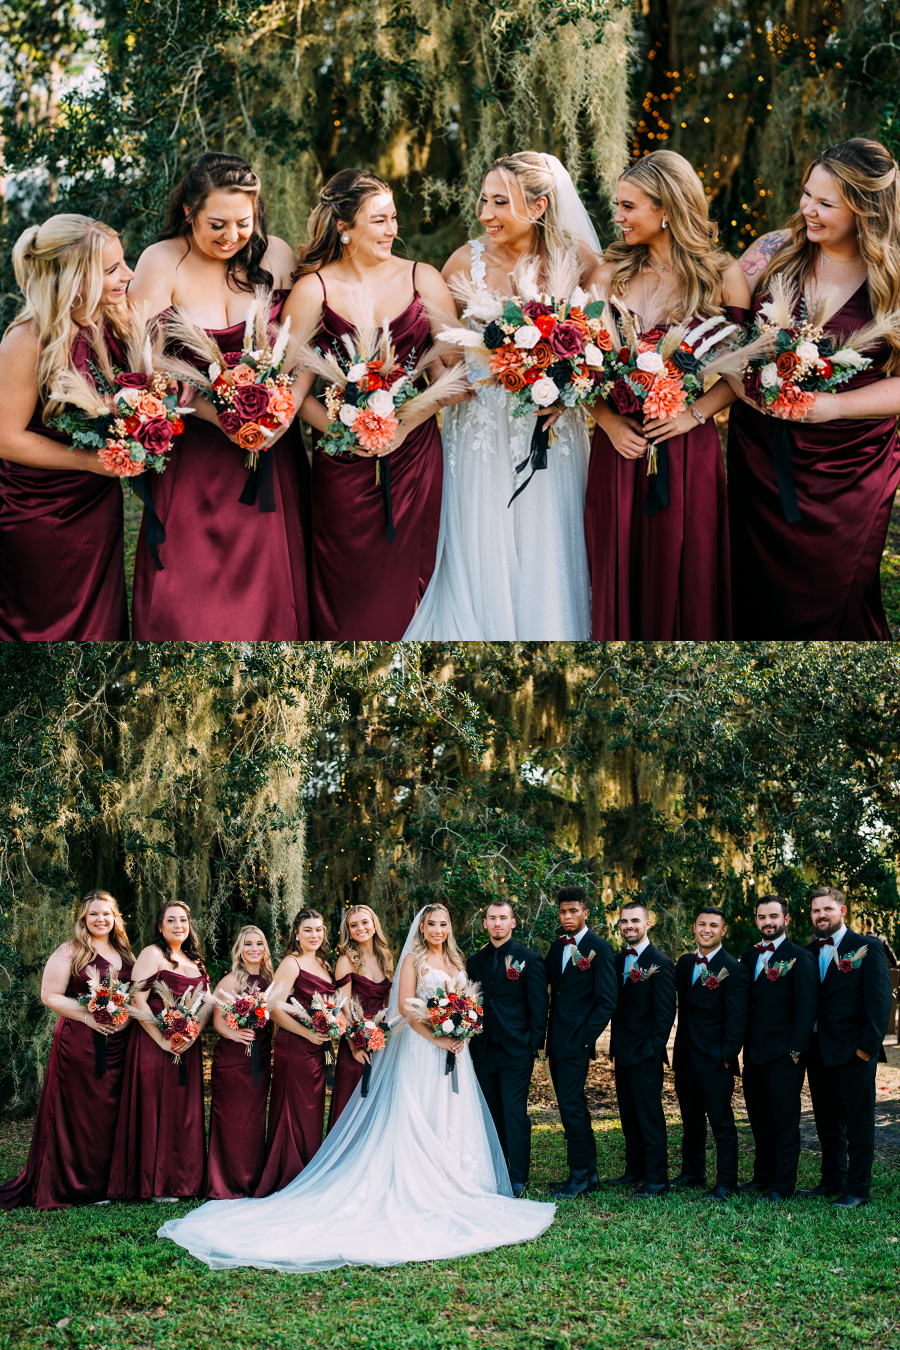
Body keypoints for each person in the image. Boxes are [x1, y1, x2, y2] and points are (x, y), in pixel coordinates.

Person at [157, 903, 555, 1271]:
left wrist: (460, 1029)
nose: (436, 929)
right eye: (431, 923)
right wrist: (377, 1038)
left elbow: (456, 1001)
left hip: (448, 1048)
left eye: (443, 924)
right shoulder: (384, 959)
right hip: (411, 1045)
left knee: (453, 1113)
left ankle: (460, 1180)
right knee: (401, 1113)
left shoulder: (448, 959)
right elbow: (391, 1006)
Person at [404, 151, 604, 640]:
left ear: (537, 207)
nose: (485, 214)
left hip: (550, 423)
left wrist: (570, 386)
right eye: (483, 199)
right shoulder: (461, 262)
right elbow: (437, 347)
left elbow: (600, 343)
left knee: (548, 535)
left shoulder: (576, 258)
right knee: (482, 533)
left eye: (500, 202)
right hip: (479, 423)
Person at [128, 152, 311, 640]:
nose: (232, 236)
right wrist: (224, 418)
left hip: (274, 445)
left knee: (271, 591)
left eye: (244, 222)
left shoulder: (276, 256)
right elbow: (141, 368)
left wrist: (282, 414)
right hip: (196, 453)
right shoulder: (160, 261)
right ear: (189, 212)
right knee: (192, 599)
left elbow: (304, 347)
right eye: (217, 223)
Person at [729, 139, 900, 638]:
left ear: (866, 210)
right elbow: (720, 332)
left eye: (825, 203)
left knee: (834, 594)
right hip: (758, 454)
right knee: (752, 589)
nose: (807, 209)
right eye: (807, 194)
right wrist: (747, 385)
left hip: (848, 465)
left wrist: (835, 406)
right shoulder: (771, 253)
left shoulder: (892, 277)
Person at [284, 169, 462, 639]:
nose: (392, 230)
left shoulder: (423, 279)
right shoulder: (311, 291)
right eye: (379, 221)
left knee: (415, 583)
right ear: (344, 228)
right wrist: (347, 433)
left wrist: (402, 427)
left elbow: (453, 376)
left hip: (416, 458)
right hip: (343, 463)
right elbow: (293, 394)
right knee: (349, 588)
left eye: (393, 218)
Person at [584, 150, 750, 639]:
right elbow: (576, 371)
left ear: (667, 209)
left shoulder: (723, 276)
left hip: (685, 446)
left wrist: (693, 416)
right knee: (618, 564)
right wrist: (610, 424)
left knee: (685, 568)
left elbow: (741, 373)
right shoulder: (608, 274)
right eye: (617, 205)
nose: (617, 217)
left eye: (628, 206)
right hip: (619, 447)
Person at [0, 215, 133, 640]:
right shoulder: (27, 339)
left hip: (96, 508)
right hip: (38, 513)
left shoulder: (113, 320)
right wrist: (88, 462)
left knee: (101, 633)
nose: (127, 275)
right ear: (75, 279)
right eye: (112, 269)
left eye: (123, 263)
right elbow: (5, 438)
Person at [0, 891, 134, 1209]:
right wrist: (91, 1016)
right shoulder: (70, 951)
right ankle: (77, 1186)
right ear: (83, 920)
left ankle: (109, 1183)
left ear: (115, 918)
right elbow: (50, 995)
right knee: (81, 1112)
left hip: (119, 1043)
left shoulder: (125, 952)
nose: (101, 919)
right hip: (81, 1042)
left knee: (112, 1111)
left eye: (106, 913)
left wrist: (122, 1019)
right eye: (93, 915)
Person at [108, 902, 210, 1201]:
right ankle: (155, 1183)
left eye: (183, 920)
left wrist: (192, 1034)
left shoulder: (196, 960)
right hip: (154, 1042)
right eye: (171, 920)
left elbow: (206, 1004)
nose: (179, 925)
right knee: (155, 1108)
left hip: (187, 1046)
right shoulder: (152, 954)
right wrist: (162, 1038)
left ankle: (182, 1181)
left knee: (181, 1112)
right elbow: (136, 1000)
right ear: (160, 926)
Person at [799, 886, 892, 1208]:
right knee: (826, 1122)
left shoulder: (867, 947)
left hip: (854, 1053)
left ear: (843, 910)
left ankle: (858, 1188)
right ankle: (831, 1180)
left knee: (859, 1124)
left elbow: (879, 1004)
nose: (821, 915)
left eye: (827, 909)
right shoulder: (809, 952)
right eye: (815, 910)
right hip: (819, 1052)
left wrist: (865, 1049)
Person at [466, 900, 549, 1197]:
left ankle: (518, 1177)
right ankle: (497, 1171)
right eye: (492, 918)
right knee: (491, 1113)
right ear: (485, 924)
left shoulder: (530, 959)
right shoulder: (474, 962)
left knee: (514, 1113)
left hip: (517, 1050)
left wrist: (532, 1045)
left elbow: (540, 1007)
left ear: (513, 923)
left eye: (503, 918)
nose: (498, 923)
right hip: (483, 1049)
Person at [738, 895, 817, 1203]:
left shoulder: (800, 957)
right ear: (755, 921)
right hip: (754, 1053)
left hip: (785, 1055)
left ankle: (783, 1185)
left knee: (784, 1122)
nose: (767, 921)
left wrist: (796, 1050)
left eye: (773, 916)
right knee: (759, 1118)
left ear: (786, 920)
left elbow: (807, 1007)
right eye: (761, 917)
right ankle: (762, 1176)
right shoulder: (747, 957)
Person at [672, 906, 749, 1202]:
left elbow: (738, 1018)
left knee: (721, 1122)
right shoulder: (683, 964)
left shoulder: (733, 967)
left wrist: (726, 1056)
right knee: (690, 1119)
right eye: (702, 924)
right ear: (694, 927)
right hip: (685, 1056)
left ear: (723, 931)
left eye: (713, 925)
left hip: (716, 1059)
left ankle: (726, 1182)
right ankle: (693, 1171)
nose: (707, 929)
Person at [256, 908, 334, 1195]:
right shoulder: (291, 963)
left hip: (316, 1048)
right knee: (293, 1109)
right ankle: (288, 1175)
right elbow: (272, 1008)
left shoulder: (324, 964)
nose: (314, 935)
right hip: (295, 1045)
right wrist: (307, 1033)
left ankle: (309, 1171)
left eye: (319, 929)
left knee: (311, 1112)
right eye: (308, 930)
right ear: (297, 934)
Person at [545, 886, 617, 1198]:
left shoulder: (599, 948)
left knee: (571, 1107)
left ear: (585, 913)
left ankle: (579, 1176)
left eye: (573, 911)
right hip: (556, 1041)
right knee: (572, 1105)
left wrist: (585, 1039)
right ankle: (589, 1173)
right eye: (563, 911)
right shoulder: (555, 947)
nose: (568, 916)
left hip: (577, 1043)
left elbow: (606, 1002)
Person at [606, 901, 676, 1199]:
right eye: (624, 921)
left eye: (635, 920)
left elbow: (665, 1014)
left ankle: (657, 1178)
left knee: (649, 1116)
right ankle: (635, 1170)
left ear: (648, 924)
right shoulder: (615, 959)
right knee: (629, 1115)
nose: (628, 926)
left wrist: (650, 1050)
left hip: (645, 1054)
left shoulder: (659, 961)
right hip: (621, 1051)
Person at [206, 925, 276, 1199]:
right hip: (235, 1058)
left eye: (259, 943)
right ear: (239, 949)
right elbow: (217, 1021)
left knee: (255, 1120)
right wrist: (236, 1035)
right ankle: (226, 1182)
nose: (254, 948)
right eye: (248, 944)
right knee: (233, 1119)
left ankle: (252, 1179)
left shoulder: (271, 979)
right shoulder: (231, 980)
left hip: (261, 1057)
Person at [327, 905, 393, 1130]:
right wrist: (355, 1045)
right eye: (353, 925)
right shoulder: (346, 961)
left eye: (364, 922)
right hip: (354, 1043)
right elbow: (342, 1008)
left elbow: (390, 1006)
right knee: (352, 1103)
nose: (360, 928)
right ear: (348, 931)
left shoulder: (387, 959)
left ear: (374, 925)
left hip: (382, 1042)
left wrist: (384, 1033)